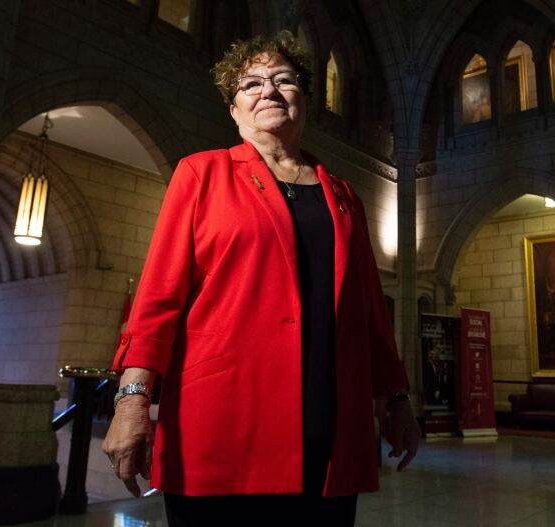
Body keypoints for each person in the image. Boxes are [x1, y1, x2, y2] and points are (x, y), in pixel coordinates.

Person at [102, 30, 420, 527]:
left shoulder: (344, 196)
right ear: (234, 110)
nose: (268, 90)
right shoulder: (201, 173)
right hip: (223, 424)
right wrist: (131, 401)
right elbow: (157, 300)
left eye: (284, 80)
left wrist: (397, 398)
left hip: (328, 425)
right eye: (251, 83)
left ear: (305, 102)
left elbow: (371, 313)